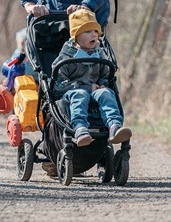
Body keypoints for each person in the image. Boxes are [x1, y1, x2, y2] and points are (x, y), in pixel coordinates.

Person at [51, 9, 132, 146]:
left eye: (96, 32)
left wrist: (102, 83)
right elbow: (59, 84)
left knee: (106, 93)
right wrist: (86, 87)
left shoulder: (99, 54)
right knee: (80, 94)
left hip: (95, 90)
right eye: (88, 32)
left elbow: (105, 74)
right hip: (72, 92)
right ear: (76, 36)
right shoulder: (67, 57)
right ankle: (80, 128)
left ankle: (114, 126)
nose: (93, 35)